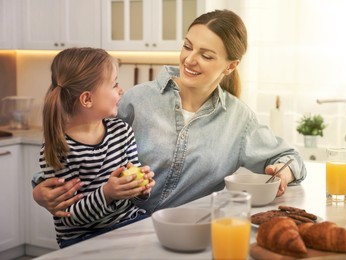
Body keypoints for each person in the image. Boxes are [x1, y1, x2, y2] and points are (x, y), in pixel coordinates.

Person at [33, 9, 306, 218]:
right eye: (187, 46)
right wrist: (40, 189)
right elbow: (74, 149)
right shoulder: (136, 100)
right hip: (121, 233)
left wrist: (281, 175)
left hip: (190, 238)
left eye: (206, 55)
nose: (189, 59)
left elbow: (291, 159)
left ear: (230, 66)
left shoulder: (239, 119)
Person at [38, 47, 155, 248]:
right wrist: (108, 193)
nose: (121, 90)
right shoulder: (58, 149)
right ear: (87, 99)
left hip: (130, 223)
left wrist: (140, 187)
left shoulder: (122, 130)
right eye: (114, 84)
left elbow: (134, 192)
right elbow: (69, 217)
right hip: (83, 239)